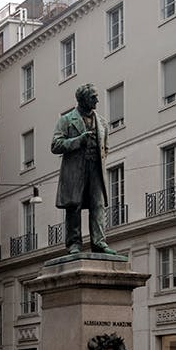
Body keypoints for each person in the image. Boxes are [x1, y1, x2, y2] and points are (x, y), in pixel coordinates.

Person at [51, 83, 117, 255]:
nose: (97, 100)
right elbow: (55, 145)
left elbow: (106, 147)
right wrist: (78, 141)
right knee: (74, 206)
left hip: (95, 169)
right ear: (82, 99)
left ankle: (99, 241)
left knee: (98, 205)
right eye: (93, 97)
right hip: (75, 171)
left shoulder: (101, 122)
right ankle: (74, 243)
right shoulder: (66, 120)